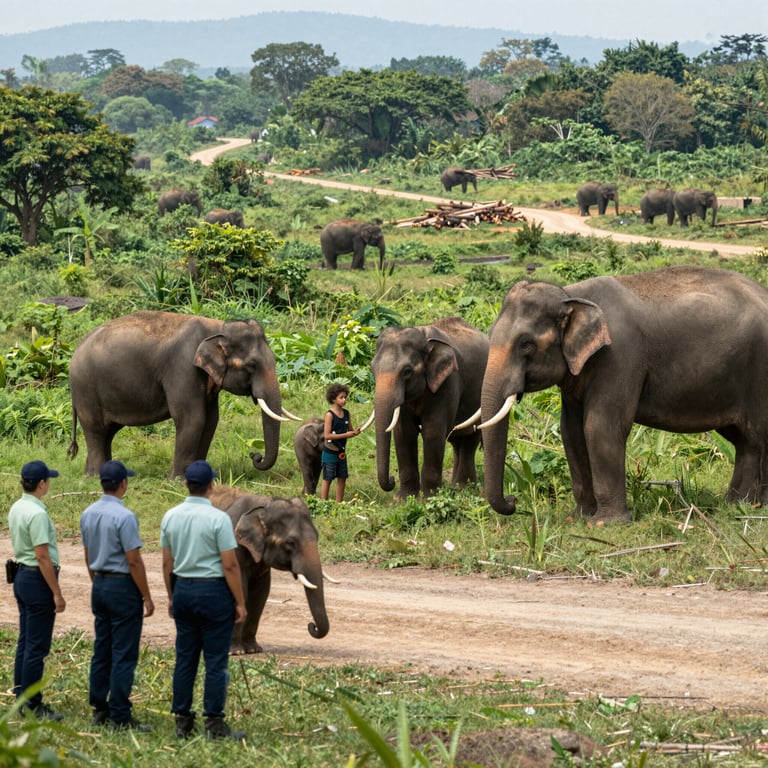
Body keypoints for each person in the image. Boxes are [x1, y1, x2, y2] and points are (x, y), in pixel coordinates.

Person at [160, 460, 247, 741]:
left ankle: (182, 721)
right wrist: (240, 602)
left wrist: (172, 596)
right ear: (211, 486)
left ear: (186, 484)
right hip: (213, 592)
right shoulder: (219, 519)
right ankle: (214, 723)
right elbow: (230, 566)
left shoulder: (170, 516)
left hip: (183, 588)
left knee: (185, 659)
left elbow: (166, 564)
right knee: (215, 661)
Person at [80, 460, 155, 731]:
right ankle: (121, 713)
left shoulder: (88, 513)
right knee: (124, 651)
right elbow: (133, 560)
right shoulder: (125, 517)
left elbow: (87, 554)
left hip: (99, 583)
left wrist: (96, 582)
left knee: (102, 648)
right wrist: (146, 595)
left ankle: (100, 707)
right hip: (122, 586)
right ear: (123, 484)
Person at [8, 460, 66, 720]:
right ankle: (33, 704)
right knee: (36, 647)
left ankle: (21, 693)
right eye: (47, 480)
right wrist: (56, 591)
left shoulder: (17, 507)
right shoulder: (38, 513)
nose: (48, 484)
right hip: (37, 579)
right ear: (41, 483)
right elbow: (42, 555)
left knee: (25, 640)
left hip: (21, 576)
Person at [320, 382, 361, 502]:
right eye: (341, 397)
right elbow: (327, 435)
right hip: (330, 452)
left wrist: (355, 433)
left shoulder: (347, 414)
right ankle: (324, 503)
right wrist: (346, 435)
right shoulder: (329, 415)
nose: (344, 400)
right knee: (327, 478)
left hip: (341, 453)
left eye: (345, 397)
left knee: (342, 477)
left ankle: (339, 504)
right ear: (333, 399)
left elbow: (350, 432)